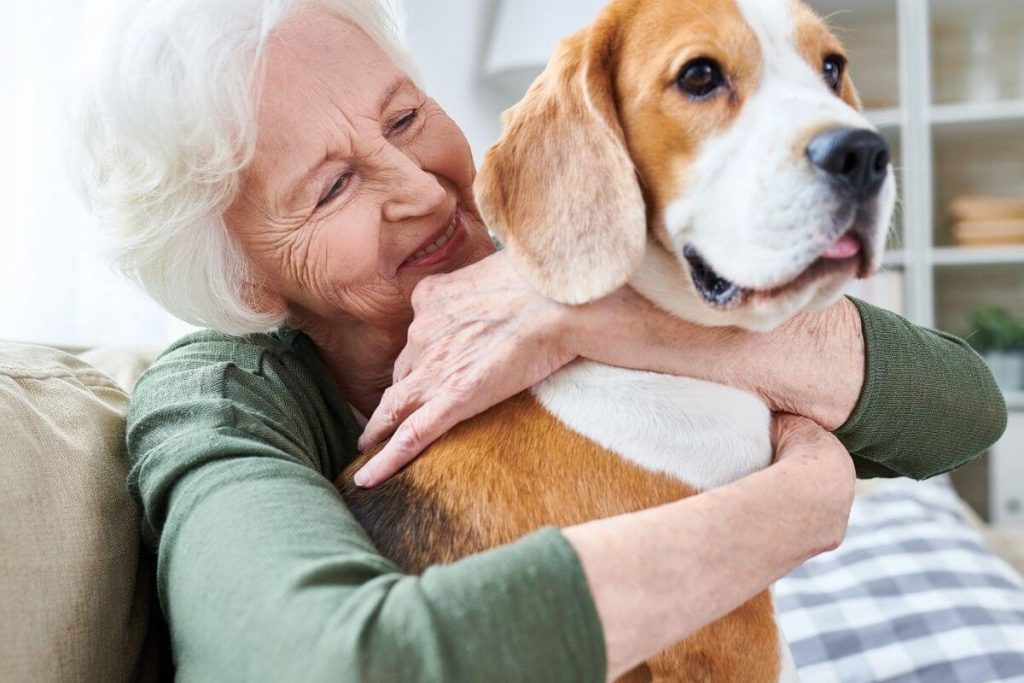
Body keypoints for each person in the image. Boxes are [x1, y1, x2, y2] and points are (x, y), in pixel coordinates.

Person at [75, 0, 1007, 679]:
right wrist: (798, 506)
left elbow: (963, 410)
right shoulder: (216, 398)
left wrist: (587, 311)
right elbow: (321, 662)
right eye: (331, 188)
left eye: (406, 118)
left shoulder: (569, 242)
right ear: (245, 277)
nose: (421, 187)